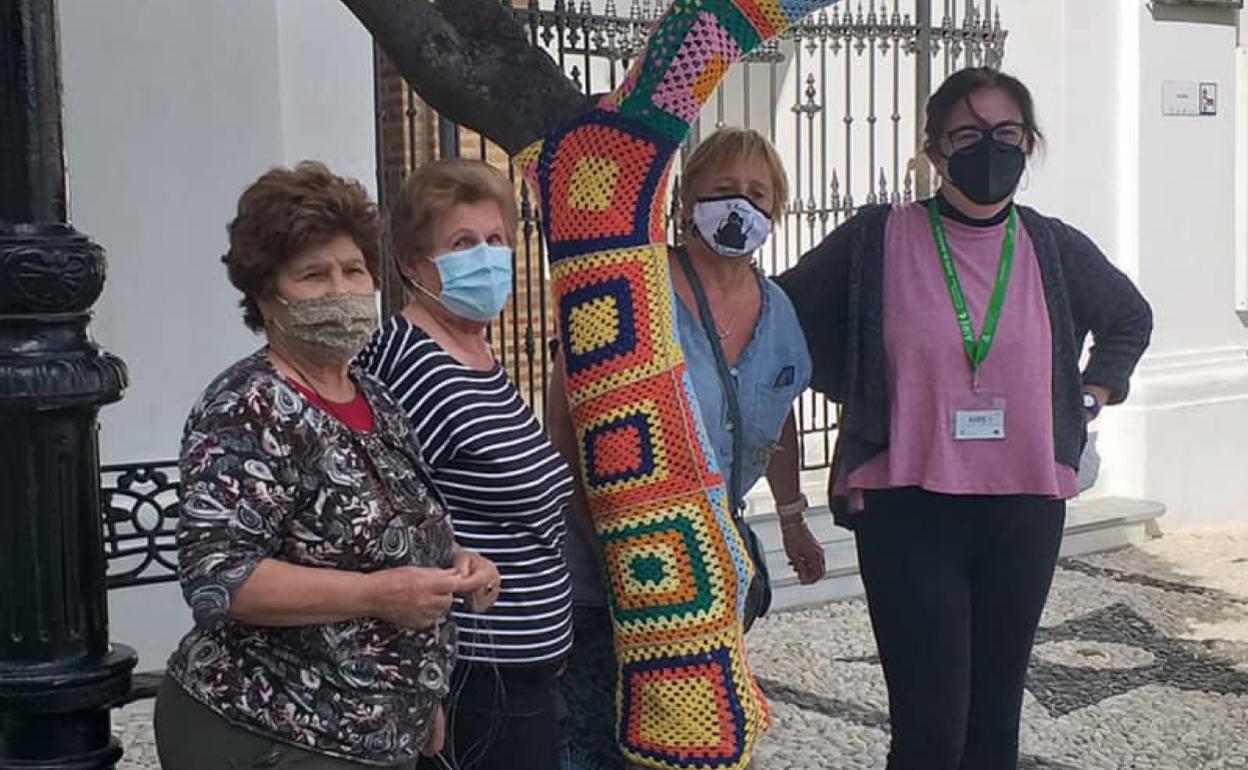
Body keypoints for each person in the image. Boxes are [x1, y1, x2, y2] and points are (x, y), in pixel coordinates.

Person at [776, 68, 1153, 770]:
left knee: (993, 731)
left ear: (1029, 143)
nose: (990, 148)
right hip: (910, 507)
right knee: (930, 732)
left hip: (1024, 507)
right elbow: (781, 313)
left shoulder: (1051, 246)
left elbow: (1129, 318)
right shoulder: (877, 240)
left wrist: (1089, 395)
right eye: (968, 134)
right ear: (934, 149)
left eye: (1006, 134)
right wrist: (854, 387)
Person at [154, 162, 500, 770]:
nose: (341, 290)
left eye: (354, 270)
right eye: (314, 274)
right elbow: (220, 576)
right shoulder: (249, 407)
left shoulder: (373, 397)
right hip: (274, 729)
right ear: (267, 296)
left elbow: (391, 537)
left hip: (374, 727)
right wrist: (378, 595)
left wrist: (452, 568)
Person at [547, 127, 826, 770]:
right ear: (684, 199)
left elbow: (778, 422)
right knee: (594, 741)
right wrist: (608, 543)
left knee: (690, 745)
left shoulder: (779, 310)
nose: (740, 206)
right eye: (723, 190)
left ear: (776, 211)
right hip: (602, 575)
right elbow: (567, 425)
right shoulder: (633, 288)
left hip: (705, 575)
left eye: (758, 194)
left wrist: (792, 520)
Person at [357, 159, 575, 770]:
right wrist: (420, 685)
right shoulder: (409, 361)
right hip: (471, 675)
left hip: (517, 670)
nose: (486, 256)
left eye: (496, 239)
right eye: (462, 243)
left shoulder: (475, 350)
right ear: (410, 263)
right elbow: (388, 519)